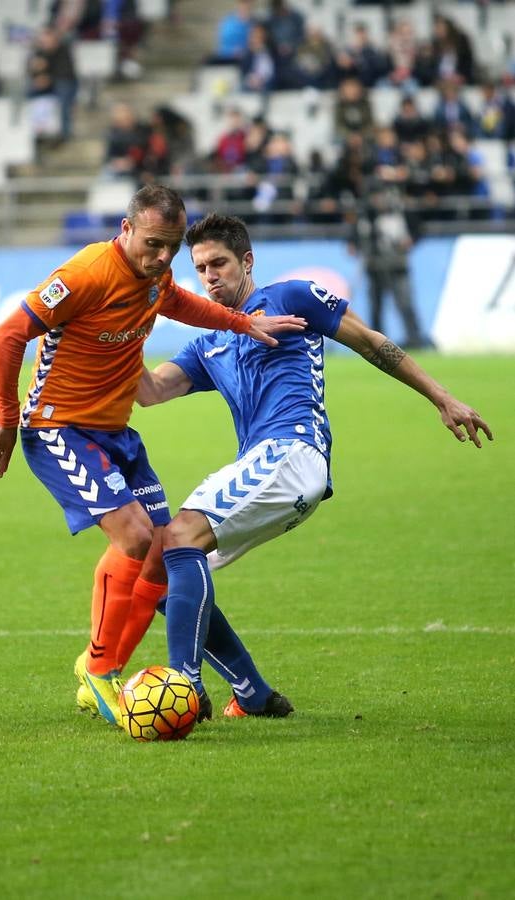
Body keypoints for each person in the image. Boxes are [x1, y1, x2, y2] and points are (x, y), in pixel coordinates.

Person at [135, 212, 492, 716]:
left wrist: (443, 398)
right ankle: (253, 694)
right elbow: (149, 391)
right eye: (201, 267)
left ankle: (182, 689)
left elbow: (371, 341)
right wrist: (112, 334)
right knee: (162, 572)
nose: (210, 275)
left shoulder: (288, 298)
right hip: (269, 469)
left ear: (247, 261)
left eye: (219, 262)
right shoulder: (210, 340)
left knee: (175, 540)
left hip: (292, 454)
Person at [0, 185, 305, 728]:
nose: (163, 258)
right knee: (132, 537)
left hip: (116, 433)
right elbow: (10, 333)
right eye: (154, 243)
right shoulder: (86, 274)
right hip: (59, 425)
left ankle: (97, 668)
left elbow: (180, 302)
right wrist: (6, 415)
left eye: (172, 248)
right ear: (126, 229)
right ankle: (102, 671)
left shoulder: (155, 275)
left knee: (160, 552)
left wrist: (243, 322)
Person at [347, 188, 427, 348]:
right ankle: (377, 342)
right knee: (376, 306)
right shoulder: (366, 217)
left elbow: (418, 229)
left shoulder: (399, 213)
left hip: (397, 264)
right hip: (374, 266)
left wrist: (411, 240)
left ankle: (414, 338)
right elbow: (354, 237)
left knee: (405, 303)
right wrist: (354, 245)